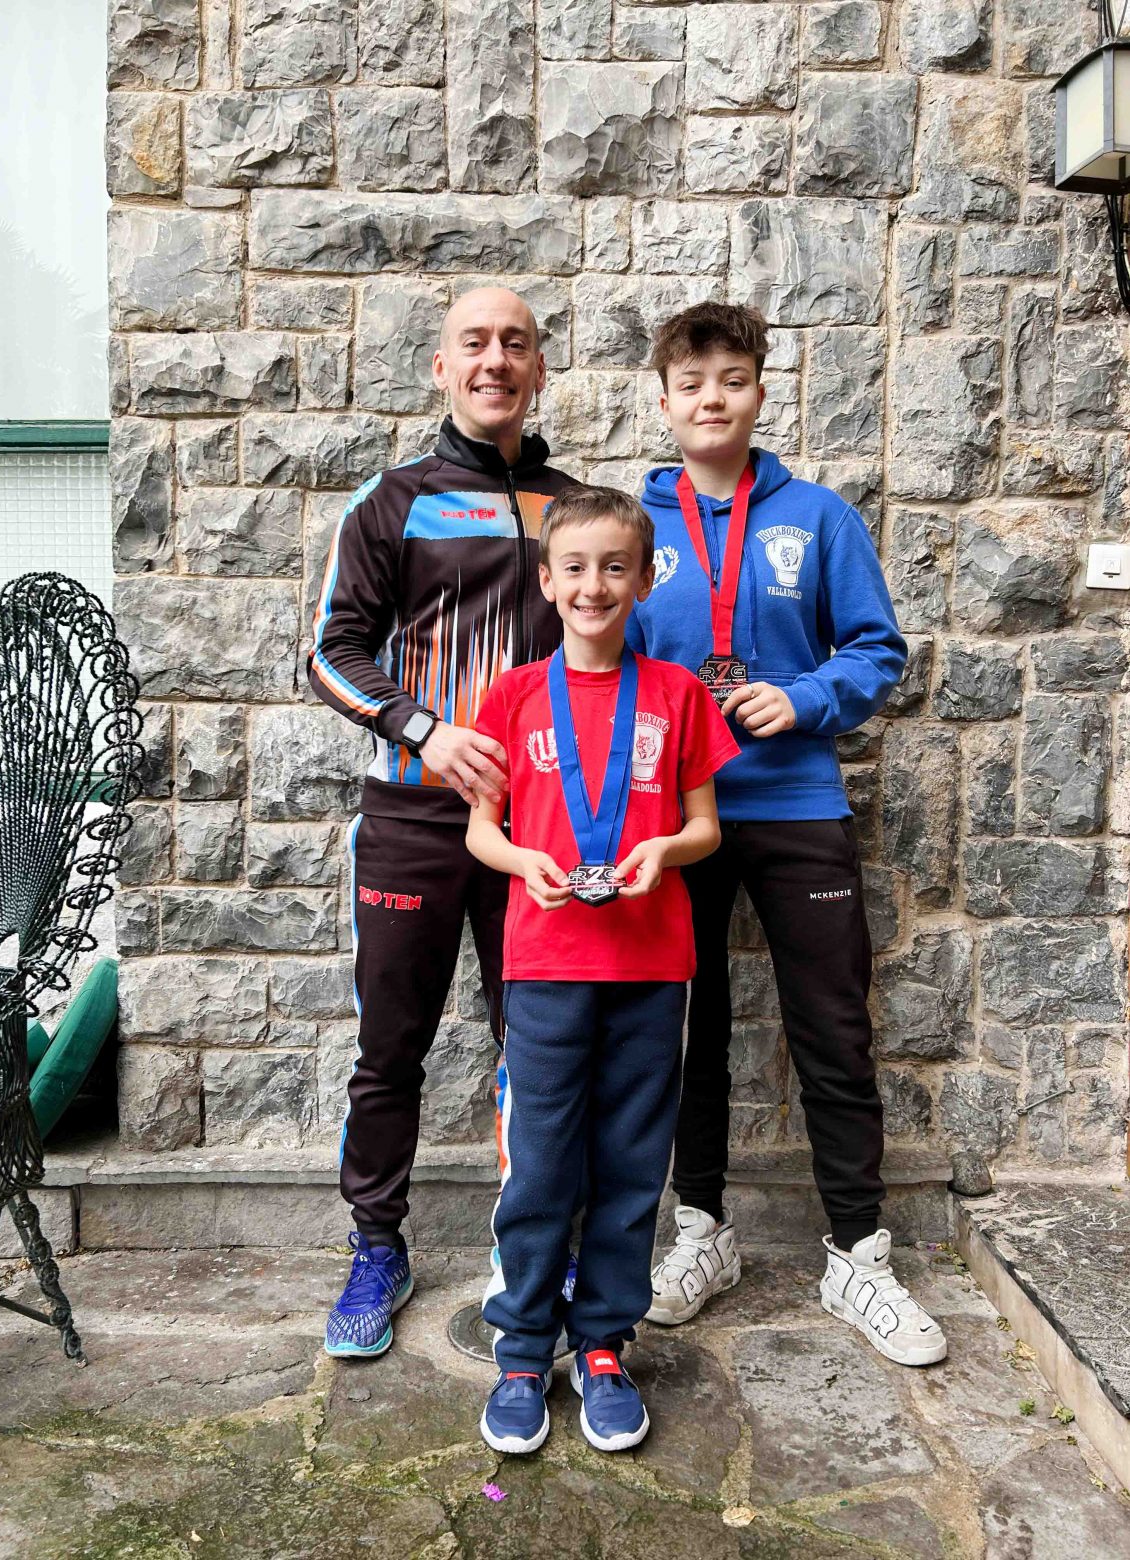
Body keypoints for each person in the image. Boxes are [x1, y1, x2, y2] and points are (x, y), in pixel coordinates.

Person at [634, 301, 947, 1367]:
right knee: (689, 1032)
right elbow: (603, 660)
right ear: (664, 401)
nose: (711, 398)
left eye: (732, 378)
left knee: (831, 1027)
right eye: (692, 382)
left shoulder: (819, 519)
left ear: (760, 392)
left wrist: (807, 698)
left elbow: (876, 649)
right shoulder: (635, 527)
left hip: (796, 803)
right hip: (679, 819)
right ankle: (700, 1231)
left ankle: (859, 1252)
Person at [308, 287, 580, 1358]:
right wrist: (426, 731)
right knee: (392, 1048)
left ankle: (539, 1250)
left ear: (539, 369)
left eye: (515, 343)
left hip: (539, 828)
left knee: (543, 1048)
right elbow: (333, 652)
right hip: (415, 820)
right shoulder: (393, 500)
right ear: (440, 366)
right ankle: (378, 1246)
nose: (495, 360)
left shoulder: (573, 507)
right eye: (475, 342)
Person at [466, 486, 739, 1454]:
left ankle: (605, 1344)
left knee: (630, 1165)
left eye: (615, 568)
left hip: (653, 967)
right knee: (540, 1162)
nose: (594, 586)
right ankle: (521, 1348)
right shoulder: (510, 698)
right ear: (546, 582)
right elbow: (482, 831)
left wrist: (664, 852)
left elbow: (705, 825)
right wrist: (525, 864)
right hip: (544, 966)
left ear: (645, 578)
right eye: (575, 568)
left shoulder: (678, 695)